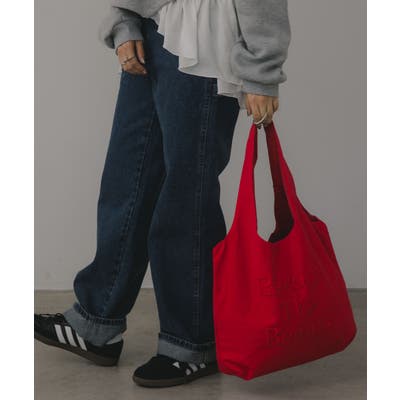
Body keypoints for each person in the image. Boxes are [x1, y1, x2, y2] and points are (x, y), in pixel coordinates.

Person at [35, 0, 291, 388]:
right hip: (152, 29)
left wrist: (262, 71)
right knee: (128, 178)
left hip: (204, 38)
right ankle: (96, 321)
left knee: (186, 197)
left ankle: (192, 342)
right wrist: (124, 21)